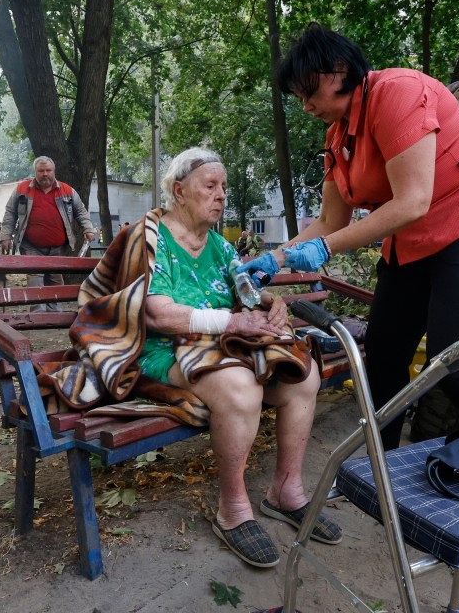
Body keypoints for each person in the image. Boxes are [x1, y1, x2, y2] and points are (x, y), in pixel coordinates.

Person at [241, 23, 459, 452]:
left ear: (338, 70)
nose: (304, 106)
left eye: (308, 92)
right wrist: (275, 258)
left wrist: (321, 250)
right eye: (297, 98)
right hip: (413, 238)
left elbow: (412, 201)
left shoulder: (398, 91)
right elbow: (329, 220)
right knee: (383, 354)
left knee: (456, 361)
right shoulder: (338, 137)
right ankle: (383, 465)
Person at [57, 147, 340, 568]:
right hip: (157, 350)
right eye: (211, 186)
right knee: (240, 388)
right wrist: (233, 323)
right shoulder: (149, 236)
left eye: (223, 187)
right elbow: (155, 313)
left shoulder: (219, 247)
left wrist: (269, 301)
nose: (221, 195)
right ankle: (233, 509)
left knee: (304, 373)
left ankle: (285, 490)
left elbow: (242, 288)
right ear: (179, 191)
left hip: (215, 346)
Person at [0, 156, 96, 311]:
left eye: (48, 170)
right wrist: (5, 236)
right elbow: (10, 213)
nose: (45, 174)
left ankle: (54, 313)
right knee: (35, 278)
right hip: (31, 245)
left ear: (54, 171)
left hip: (58, 246)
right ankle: (38, 314)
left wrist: (88, 228)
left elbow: (81, 212)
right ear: (35, 172)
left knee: (55, 279)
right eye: (41, 171)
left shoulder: (67, 190)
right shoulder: (22, 189)